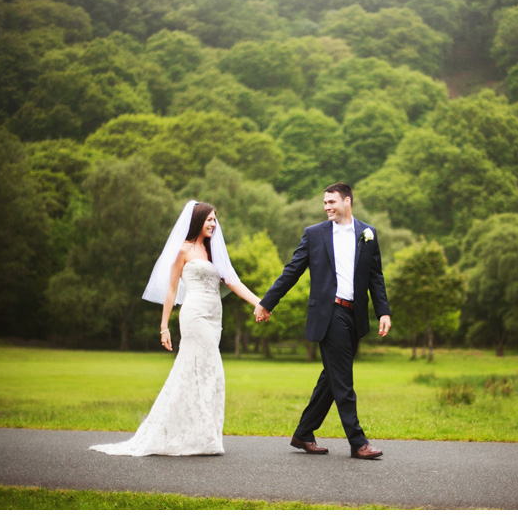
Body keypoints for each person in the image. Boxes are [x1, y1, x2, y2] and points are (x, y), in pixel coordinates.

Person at [90, 201, 261, 456]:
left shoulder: (214, 251)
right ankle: (199, 437)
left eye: (215, 220)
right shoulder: (183, 250)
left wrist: (260, 302)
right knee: (211, 369)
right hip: (194, 315)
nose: (214, 224)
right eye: (209, 220)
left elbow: (233, 281)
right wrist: (164, 326)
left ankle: (202, 436)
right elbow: (171, 289)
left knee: (203, 374)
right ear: (197, 221)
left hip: (215, 317)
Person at [254, 183, 392, 459]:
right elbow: (292, 270)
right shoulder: (314, 234)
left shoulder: (367, 233)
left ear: (348, 202)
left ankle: (304, 433)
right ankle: (358, 442)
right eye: (325, 203)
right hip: (329, 314)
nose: (327, 206)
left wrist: (383, 311)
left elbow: (375, 276)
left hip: (355, 313)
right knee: (343, 379)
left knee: (332, 376)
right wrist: (267, 302)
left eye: (332, 202)